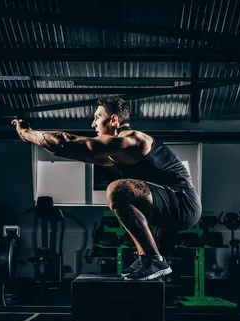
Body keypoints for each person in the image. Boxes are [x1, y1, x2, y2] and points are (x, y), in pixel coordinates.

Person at [12, 96, 202, 281]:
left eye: (97, 117)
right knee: (119, 193)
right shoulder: (117, 153)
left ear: (113, 119)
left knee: (117, 190)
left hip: (183, 204)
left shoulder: (134, 140)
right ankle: (148, 259)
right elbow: (62, 148)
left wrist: (26, 133)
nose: (93, 124)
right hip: (170, 209)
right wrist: (36, 138)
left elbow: (65, 141)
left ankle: (154, 260)